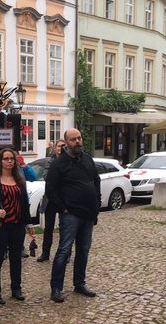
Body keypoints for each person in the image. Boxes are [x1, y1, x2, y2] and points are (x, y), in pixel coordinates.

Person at [47, 128, 101, 303]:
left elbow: (96, 181)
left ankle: (79, 283)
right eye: (73, 139)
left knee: (83, 250)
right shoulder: (58, 164)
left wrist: (97, 205)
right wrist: (63, 209)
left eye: (79, 138)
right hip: (70, 215)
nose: (77, 141)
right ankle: (56, 288)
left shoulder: (87, 159)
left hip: (88, 213)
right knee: (64, 250)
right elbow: (51, 190)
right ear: (67, 142)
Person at [0, 148, 34, 305]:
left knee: (16, 258)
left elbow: (24, 204)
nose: (10, 161)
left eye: (12, 159)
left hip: (17, 225)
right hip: (1, 225)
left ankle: (16, 289)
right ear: (0, 161)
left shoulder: (19, 180)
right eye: (6, 158)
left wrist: (29, 223)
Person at [38, 139, 65, 262]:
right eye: (59, 146)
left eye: (63, 146)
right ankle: (45, 253)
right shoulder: (50, 161)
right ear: (55, 148)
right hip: (50, 198)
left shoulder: (69, 161)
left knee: (64, 227)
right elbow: (46, 177)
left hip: (65, 199)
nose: (61, 148)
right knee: (48, 228)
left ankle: (65, 253)